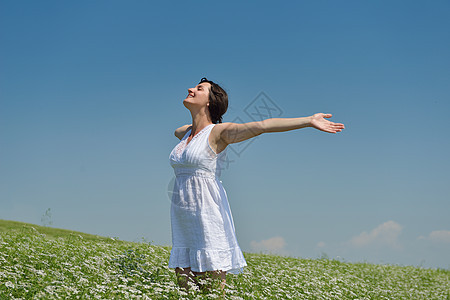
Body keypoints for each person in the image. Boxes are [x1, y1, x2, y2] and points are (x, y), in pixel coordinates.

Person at [168, 77, 345, 292]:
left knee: (211, 290)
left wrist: (308, 120)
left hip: (207, 215)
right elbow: (180, 131)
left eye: (199, 88)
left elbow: (262, 126)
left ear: (210, 101)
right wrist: (194, 125)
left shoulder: (219, 133)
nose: (190, 89)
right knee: (184, 290)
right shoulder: (185, 133)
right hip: (183, 219)